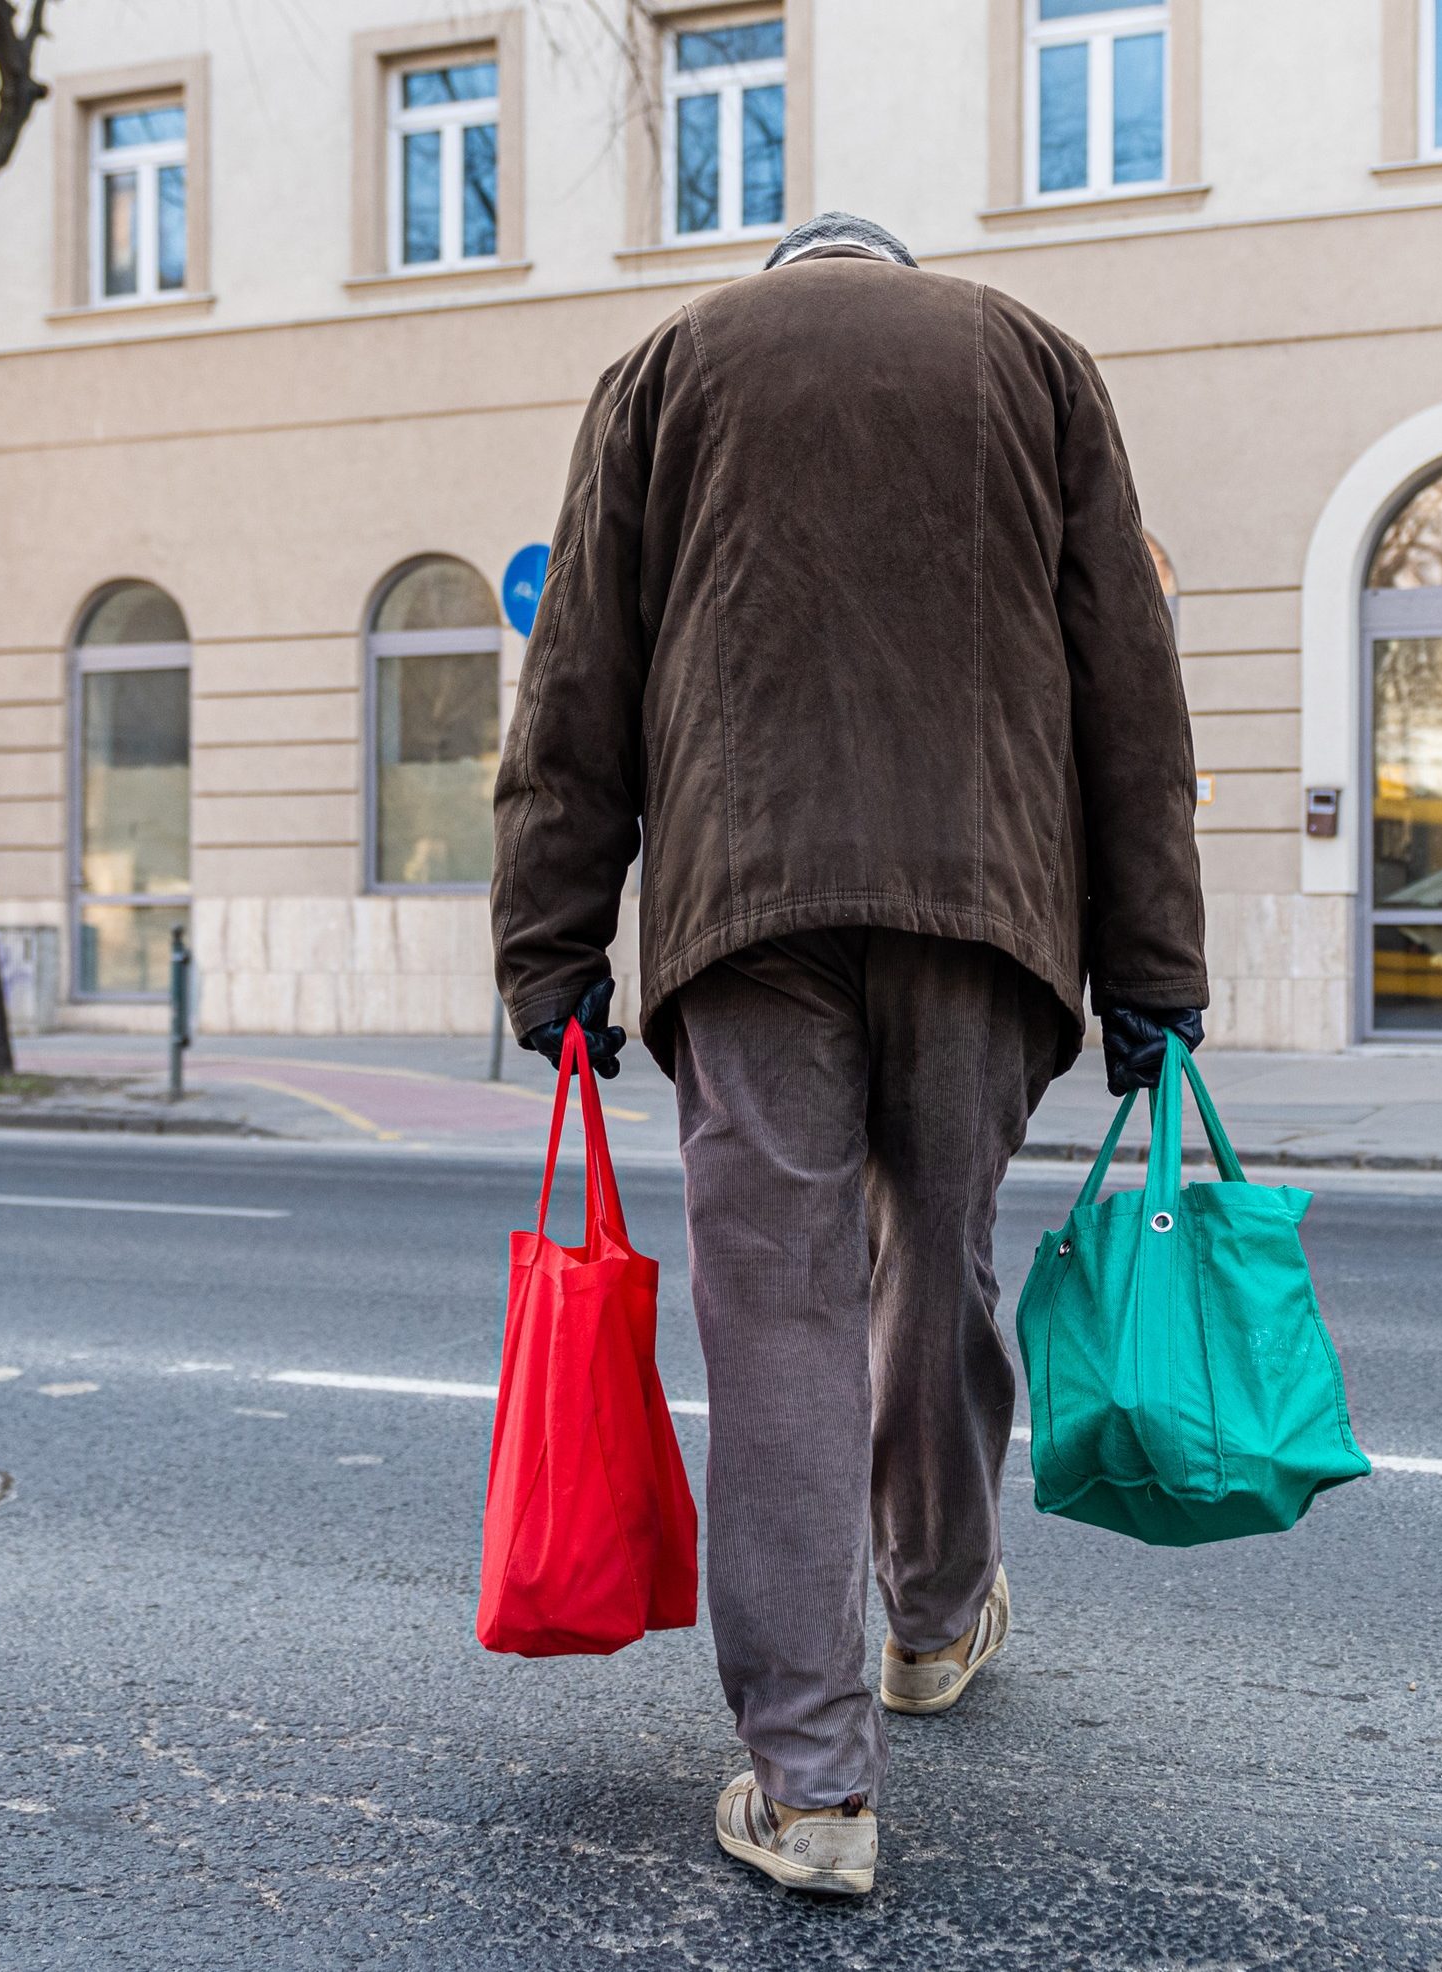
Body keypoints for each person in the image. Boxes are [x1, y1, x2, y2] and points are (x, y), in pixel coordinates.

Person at [492, 210, 1208, 1898]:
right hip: (987, 916)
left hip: (748, 916)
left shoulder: (663, 371)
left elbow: (574, 684)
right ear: (898, 280)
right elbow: (1132, 689)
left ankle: (812, 1790)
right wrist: (1152, 973)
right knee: (936, 1261)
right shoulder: (1036, 362)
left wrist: (552, 951)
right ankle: (935, 1619)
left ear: (775, 290)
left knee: (782, 1317)